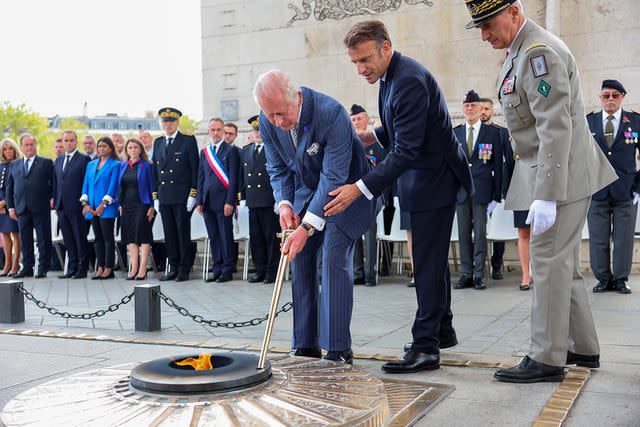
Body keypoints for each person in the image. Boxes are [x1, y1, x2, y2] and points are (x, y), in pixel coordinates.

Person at [465, 0, 617, 382]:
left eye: (489, 24)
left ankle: (546, 357)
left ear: (515, 13)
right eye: (479, 26)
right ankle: (583, 348)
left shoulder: (537, 53)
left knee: (547, 262)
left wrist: (547, 193)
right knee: (562, 264)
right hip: (558, 170)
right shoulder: (520, 50)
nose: (484, 35)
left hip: (559, 175)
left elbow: (555, 126)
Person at [326, 20, 473, 372]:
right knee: (433, 260)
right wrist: (370, 138)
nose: (361, 70)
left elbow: (406, 149)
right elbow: (396, 128)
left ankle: (425, 347)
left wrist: (358, 189)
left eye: (364, 60)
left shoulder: (406, 79)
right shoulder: (391, 75)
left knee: (425, 263)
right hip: (425, 179)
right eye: (355, 63)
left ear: (385, 48)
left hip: (434, 180)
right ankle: (442, 329)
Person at [254, 70, 378, 364]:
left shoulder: (330, 113)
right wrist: (284, 204)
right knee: (301, 257)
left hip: (349, 194)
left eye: (282, 114)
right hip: (308, 193)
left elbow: (332, 177)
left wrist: (307, 226)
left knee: (333, 258)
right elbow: (278, 169)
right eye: (271, 116)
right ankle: (305, 345)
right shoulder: (268, 119)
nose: (278, 123)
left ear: (297, 98)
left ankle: (337, 349)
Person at [587, 80, 640, 295]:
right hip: (597, 189)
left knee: (624, 238)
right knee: (598, 237)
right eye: (606, 95)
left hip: (626, 190)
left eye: (615, 95)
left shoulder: (635, 122)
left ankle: (620, 279)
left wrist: (639, 188)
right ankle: (602, 278)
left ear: (622, 97)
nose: (610, 99)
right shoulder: (588, 122)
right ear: (600, 97)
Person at [453, 90, 503, 290]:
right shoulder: (455, 133)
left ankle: (479, 274)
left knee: (480, 234)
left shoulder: (492, 133)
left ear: (479, 109)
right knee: (463, 233)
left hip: (482, 190)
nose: (469, 109)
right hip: (461, 191)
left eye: (473, 106)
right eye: (466, 106)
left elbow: (497, 165)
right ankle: (466, 273)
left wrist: (497, 194)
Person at [480, 97, 532, 290]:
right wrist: (505, 192)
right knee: (523, 232)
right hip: (518, 187)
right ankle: (526, 276)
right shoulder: (508, 134)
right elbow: (504, 165)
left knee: (543, 234)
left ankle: (542, 274)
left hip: (540, 186)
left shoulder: (537, 128)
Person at [152, 107, 199, 282]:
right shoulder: (158, 143)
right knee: (169, 234)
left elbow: (195, 169)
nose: (168, 124)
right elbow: (155, 172)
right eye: (165, 121)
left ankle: (184, 268)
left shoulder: (187, 141)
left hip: (182, 196)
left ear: (177, 122)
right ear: (161, 123)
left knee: (182, 233)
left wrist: (193, 194)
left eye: (171, 121)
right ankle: (173, 266)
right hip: (164, 196)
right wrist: (155, 196)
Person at [350, 104, 389, 287]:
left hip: (372, 196)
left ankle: (370, 273)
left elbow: (385, 169)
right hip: (353, 196)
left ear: (367, 120)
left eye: (359, 119)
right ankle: (357, 272)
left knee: (370, 236)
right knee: (354, 235)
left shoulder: (377, 143)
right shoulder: (349, 143)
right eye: (354, 120)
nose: (357, 122)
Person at [196, 118, 239, 283]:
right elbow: (201, 177)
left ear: (223, 131)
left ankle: (227, 270)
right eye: (212, 130)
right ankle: (217, 268)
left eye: (219, 130)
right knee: (213, 236)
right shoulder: (205, 152)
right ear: (208, 131)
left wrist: (230, 201)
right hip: (207, 201)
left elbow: (234, 179)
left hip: (224, 202)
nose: (216, 133)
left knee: (225, 236)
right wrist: (199, 200)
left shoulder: (231, 151)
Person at [239, 114, 280, 284]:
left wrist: (280, 199)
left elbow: (280, 174)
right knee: (256, 237)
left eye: (260, 130)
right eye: (255, 130)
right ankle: (260, 269)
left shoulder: (274, 148)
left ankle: (271, 271)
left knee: (271, 237)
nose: (257, 133)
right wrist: (241, 197)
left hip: (269, 200)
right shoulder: (246, 150)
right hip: (253, 200)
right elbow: (242, 177)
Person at [7, 134, 54, 278]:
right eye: (26, 145)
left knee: (43, 239)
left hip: (40, 207)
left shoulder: (46, 162)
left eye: (31, 144)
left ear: (36, 145)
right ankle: (27, 267)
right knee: (25, 240)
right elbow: (10, 187)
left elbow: (53, 184)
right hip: (21, 208)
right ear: (21, 147)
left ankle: (42, 268)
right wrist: (11, 207)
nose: (28, 147)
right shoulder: (14, 165)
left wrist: (52, 198)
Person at [80, 137, 120, 280]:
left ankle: (109, 268)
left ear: (110, 148)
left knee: (107, 238)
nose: (101, 148)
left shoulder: (115, 165)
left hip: (106, 208)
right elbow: (85, 185)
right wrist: (85, 204)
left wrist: (103, 204)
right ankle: (100, 266)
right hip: (92, 208)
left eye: (104, 146)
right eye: (99, 146)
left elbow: (113, 186)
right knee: (97, 239)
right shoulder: (91, 165)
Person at [54, 131, 91, 279]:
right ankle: (72, 267)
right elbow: (56, 183)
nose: (68, 143)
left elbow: (86, 183)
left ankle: (82, 268)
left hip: (77, 206)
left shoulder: (84, 159)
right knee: (68, 238)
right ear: (62, 142)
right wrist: (56, 203)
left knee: (79, 237)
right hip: (61, 206)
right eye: (66, 140)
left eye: (71, 140)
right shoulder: (58, 160)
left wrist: (85, 204)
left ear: (76, 142)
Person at [117, 138, 155, 280]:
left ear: (140, 149)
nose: (133, 150)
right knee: (130, 236)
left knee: (143, 236)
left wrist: (152, 206)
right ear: (126, 150)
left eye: (135, 147)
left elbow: (152, 187)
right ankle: (134, 268)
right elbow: (119, 188)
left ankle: (143, 268)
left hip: (142, 205)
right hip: (127, 205)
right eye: (130, 147)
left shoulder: (147, 166)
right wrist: (119, 204)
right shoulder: (122, 166)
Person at [139, 129, 166, 271]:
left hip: (158, 198)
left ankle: (162, 260)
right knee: (150, 232)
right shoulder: (140, 157)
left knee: (160, 230)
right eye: (140, 138)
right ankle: (154, 261)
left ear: (151, 139)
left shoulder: (157, 152)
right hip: (146, 201)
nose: (143, 140)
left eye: (145, 137)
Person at [0, 138, 21, 276]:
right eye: (5, 149)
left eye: (10, 148)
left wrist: (5, 202)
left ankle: (15, 264)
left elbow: (16, 188)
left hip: (12, 205)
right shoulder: (0, 166)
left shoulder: (18, 164)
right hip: (0, 206)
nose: (8, 151)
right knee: (5, 235)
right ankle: (7, 264)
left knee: (15, 234)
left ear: (15, 149)